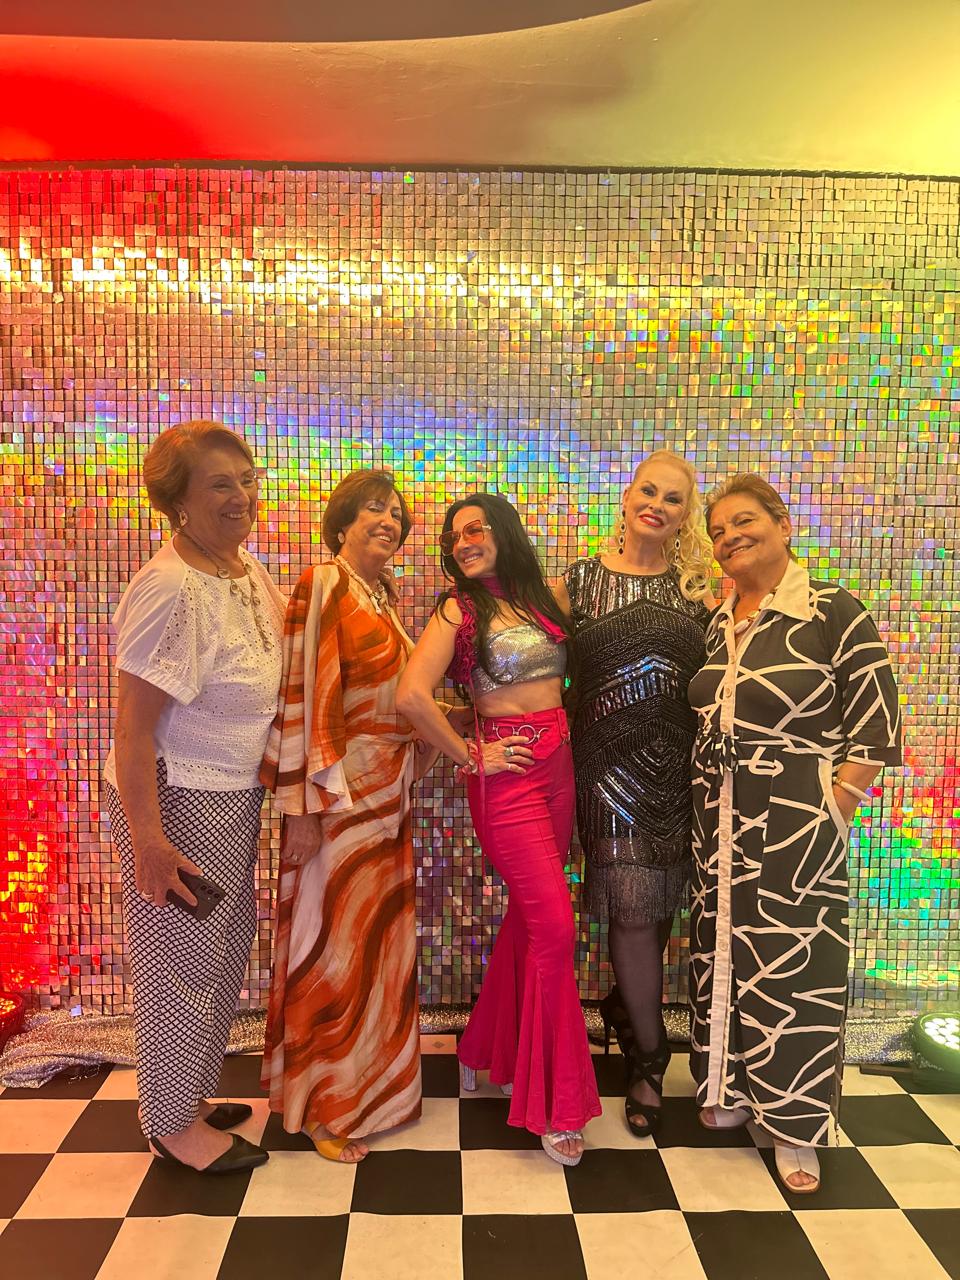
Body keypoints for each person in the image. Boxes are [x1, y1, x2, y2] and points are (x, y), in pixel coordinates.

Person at [689, 473, 902, 1194]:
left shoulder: (831, 610)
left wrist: (835, 804)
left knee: (797, 966)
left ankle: (797, 1127)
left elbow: (876, 721)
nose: (730, 537)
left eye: (744, 521)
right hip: (719, 821)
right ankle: (733, 1087)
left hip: (794, 822)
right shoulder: (719, 621)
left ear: (783, 524)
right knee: (726, 953)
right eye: (718, 530)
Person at [397, 493, 601, 1167]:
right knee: (556, 928)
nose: (463, 542)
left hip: (559, 769)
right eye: (454, 536)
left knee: (531, 921)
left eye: (475, 528)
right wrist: (471, 754)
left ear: (504, 531)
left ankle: (486, 1046)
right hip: (506, 778)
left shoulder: (546, 599)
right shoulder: (458, 610)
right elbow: (411, 696)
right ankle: (557, 1104)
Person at [103, 421, 284, 1174]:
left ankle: (189, 1095)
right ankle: (170, 1125)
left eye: (247, 478)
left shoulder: (243, 567)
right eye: (219, 484)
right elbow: (132, 728)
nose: (241, 495)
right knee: (177, 963)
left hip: (230, 796)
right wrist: (148, 840)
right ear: (177, 501)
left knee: (221, 950)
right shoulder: (171, 588)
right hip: (176, 799)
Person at [260, 470, 431, 1163]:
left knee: (375, 946)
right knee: (331, 945)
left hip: (386, 800)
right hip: (338, 799)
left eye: (396, 514)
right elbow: (303, 692)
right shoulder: (323, 582)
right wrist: (302, 807)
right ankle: (324, 1105)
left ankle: (374, 1094)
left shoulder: (382, 596)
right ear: (342, 522)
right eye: (374, 510)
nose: (389, 521)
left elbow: (397, 695)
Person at [554, 451, 714, 1137]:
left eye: (673, 499)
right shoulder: (578, 582)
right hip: (606, 775)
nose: (657, 505)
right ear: (626, 498)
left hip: (683, 775)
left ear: (685, 516)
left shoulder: (700, 589)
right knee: (634, 914)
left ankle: (626, 1010)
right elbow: (530, 659)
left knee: (663, 912)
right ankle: (649, 1058)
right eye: (648, 490)